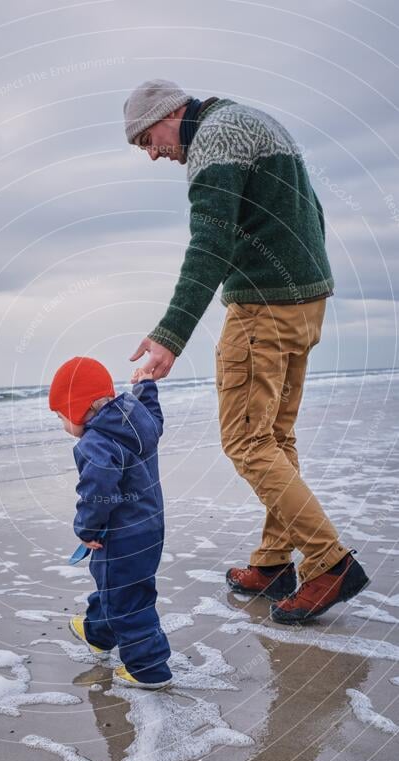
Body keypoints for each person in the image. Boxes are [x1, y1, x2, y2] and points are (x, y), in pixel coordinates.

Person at [123, 79, 369, 623]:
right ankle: (275, 561)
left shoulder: (214, 139)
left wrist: (170, 334)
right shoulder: (251, 120)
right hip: (304, 301)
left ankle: (328, 563)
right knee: (275, 438)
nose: (152, 153)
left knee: (246, 441)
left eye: (147, 138)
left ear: (169, 114)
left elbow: (209, 242)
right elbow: (312, 211)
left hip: (263, 308)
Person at [48, 355, 172, 688]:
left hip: (121, 535)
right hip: (151, 526)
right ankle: (98, 633)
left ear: (78, 408)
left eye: (61, 416)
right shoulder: (136, 420)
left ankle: (148, 668)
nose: (62, 425)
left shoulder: (95, 444)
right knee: (119, 586)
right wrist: (146, 386)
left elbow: (98, 488)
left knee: (127, 598)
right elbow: (154, 418)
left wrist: (86, 529)